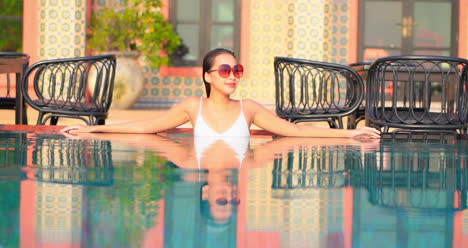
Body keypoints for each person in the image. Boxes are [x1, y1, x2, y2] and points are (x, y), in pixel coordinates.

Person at [61, 48, 380, 138]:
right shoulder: (192, 107)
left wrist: (351, 135)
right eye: (225, 71)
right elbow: (145, 126)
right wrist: (93, 128)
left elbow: (295, 131)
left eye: (236, 70)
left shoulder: (249, 109)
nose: (232, 76)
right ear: (208, 77)